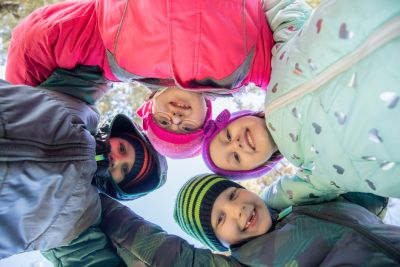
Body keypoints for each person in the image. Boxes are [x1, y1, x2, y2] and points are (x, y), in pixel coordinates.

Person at [202, 0, 400, 209]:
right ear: (259, 166)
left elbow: (281, 7)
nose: (237, 144)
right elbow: (271, 203)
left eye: (227, 136)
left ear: (241, 117)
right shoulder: (313, 173)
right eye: (235, 157)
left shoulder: (277, 59)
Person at [0, 79, 167, 259]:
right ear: (114, 134)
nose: (116, 159)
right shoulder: (79, 105)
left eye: (124, 170)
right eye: (122, 148)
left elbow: (88, 259)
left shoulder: (82, 216)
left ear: (117, 186)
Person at [99, 173, 400, 267]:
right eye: (220, 219)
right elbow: (164, 252)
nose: (238, 210)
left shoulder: (312, 204)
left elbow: (361, 178)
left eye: (232, 196)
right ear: (218, 243)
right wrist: (94, 203)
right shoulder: (242, 263)